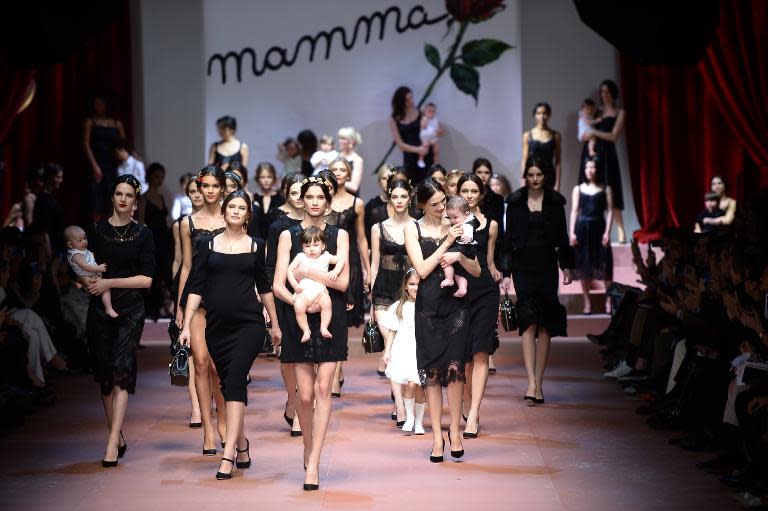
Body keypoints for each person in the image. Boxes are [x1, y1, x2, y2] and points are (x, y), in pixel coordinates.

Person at [180, 189, 281, 480]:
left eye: (241, 207)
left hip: (248, 325)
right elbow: (196, 286)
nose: (236, 211)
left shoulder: (255, 246)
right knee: (227, 384)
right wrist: (186, 325)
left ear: (248, 214)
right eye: (232, 206)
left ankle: (228, 455)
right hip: (217, 328)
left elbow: (264, 288)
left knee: (235, 380)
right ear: (224, 211)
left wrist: (274, 324)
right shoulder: (207, 244)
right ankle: (243, 443)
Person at [272, 176, 350, 490]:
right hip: (299, 316)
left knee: (322, 389)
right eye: (310, 197)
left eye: (321, 197)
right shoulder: (287, 235)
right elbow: (278, 284)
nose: (315, 202)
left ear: (328, 201)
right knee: (303, 396)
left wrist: (311, 275)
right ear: (301, 200)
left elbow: (343, 283)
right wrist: (300, 303)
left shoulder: (339, 234)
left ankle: (314, 462)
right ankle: (307, 445)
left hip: (331, 316)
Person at [403, 178, 480, 463]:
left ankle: (456, 433)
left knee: (456, 369)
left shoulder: (458, 223)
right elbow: (422, 270)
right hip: (427, 307)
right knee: (431, 373)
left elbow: (475, 269)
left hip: (456, 306)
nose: (441, 208)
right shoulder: (412, 229)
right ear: (422, 204)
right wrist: (447, 242)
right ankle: (437, 436)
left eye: (443, 202)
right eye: (434, 204)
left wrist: (460, 251)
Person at [84, 174, 155, 467]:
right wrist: (87, 280)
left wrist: (109, 282)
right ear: (112, 197)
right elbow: (86, 266)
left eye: (129, 195)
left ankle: (112, 441)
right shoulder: (97, 230)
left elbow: (147, 280)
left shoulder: (143, 235)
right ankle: (116, 433)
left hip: (130, 309)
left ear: (135, 203)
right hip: (99, 308)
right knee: (104, 374)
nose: (123, 199)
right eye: (118, 194)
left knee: (122, 369)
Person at [503, 156, 574, 405]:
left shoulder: (555, 202)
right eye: (531, 175)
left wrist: (566, 265)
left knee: (545, 323)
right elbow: (508, 239)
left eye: (539, 175)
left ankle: (539, 382)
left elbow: (562, 236)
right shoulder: (515, 202)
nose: (535, 179)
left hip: (546, 266)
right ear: (526, 175)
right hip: (522, 266)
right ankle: (531, 381)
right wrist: (506, 272)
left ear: (545, 176)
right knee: (528, 320)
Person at [176, 166, 228, 454]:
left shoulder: (233, 217)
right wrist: (179, 306)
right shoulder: (188, 223)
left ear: (222, 188)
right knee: (201, 361)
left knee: (219, 367)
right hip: (197, 298)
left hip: (225, 297)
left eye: (214, 186)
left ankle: (222, 422)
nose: (209, 191)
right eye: (204, 186)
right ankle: (208, 430)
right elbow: (186, 266)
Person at [457, 173, 501, 438]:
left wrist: (497, 273)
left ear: (481, 194)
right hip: (459, 292)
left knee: (481, 351)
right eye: (465, 190)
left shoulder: (491, 225)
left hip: (485, 289)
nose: (470, 195)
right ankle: (465, 401)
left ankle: (473, 414)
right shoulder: (450, 222)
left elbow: (490, 259)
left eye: (474, 191)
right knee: (462, 355)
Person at [265, 173, 305, 438]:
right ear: (287, 195)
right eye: (295, 193)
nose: (301, 199)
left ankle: (301, 408)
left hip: (313, 293)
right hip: (284, 294)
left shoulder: (322, 225)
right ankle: (292, 397)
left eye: (306, 193)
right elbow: (269, 265)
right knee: (287, 354)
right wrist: (267, 298)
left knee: (306, 353)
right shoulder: (278, 226)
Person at [370, 179, 414, 411]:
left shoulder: (417, 226)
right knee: (392, 342)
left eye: (403, 196)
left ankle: (401, 404)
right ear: (389, 198)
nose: (398, 201)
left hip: (409, 291)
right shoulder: (378, 228)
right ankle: (399, 405)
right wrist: (371, 297)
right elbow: (375, 263)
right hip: (384, 289)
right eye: (394, 197)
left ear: (410, 198)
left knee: (402, 345)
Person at [170, 177, 204, 428]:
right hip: (189, 288)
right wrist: (178, 301)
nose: (197, 195)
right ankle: (195, 406)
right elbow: (180, 262)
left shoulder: (224, 218)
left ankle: (207, 400)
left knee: (208, 356)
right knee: (191, 353)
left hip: (213, 291)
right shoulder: (183, 224)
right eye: (192, 191)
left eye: (200, 189)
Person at [580, 80, 626, 243]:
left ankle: (620, 230)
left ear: (613, 93)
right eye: (602, 92)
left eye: (606, 91)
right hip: (593, 153)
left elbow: (613, 136)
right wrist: (590, 133)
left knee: (611, 188)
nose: (604, 94)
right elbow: (585, 133)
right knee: (590, 190)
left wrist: (595, 133)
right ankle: (587, 231)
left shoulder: (619, 112)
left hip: (607, 154)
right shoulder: (597, 112)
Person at [382, 269, 426, 434]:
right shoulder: (399, 306)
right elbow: (392, 331)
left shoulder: (428, 305)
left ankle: (420, 422)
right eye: (412, 284)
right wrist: (387, 351)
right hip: (404, 349)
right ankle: (409, 418)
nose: (415, 287)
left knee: (421, 385)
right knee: (409, 383)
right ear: (406, 286)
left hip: (421, 350)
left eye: (419, 284)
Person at [569, 157, 614, 314]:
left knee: (605, 264)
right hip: (583, 229)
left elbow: (610, 212)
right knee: (584, 267)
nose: (589, 170)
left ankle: (609, 301)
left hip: (600, 228)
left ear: (597, 169)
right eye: (587, 167)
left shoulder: (605, 188)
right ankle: (587, 302)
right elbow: (574, 211)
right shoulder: (578, 189)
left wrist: (608, 231)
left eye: (592, 167)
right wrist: (572, 232)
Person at [288, 227, 344, 342]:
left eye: (316, 245)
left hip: (320, 290)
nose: (311, 249)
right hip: (303, 291)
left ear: (323, 246)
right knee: (298, 307)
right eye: (307, 246)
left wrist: (335, 271)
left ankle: (324, 327)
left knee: (327, 303)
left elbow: (341, 260)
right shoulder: (300, 257)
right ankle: (305, 330)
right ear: (303, 247)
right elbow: (289, 270)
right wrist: (294, 284)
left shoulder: (326, 257)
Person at [137, 163, 172, 320]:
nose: (160, 180)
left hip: (164, 240)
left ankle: (163, 307)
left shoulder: (161, 197)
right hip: (151, 240)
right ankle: (152, 308)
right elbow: (141, 221)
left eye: (162, 177)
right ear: (149, 176)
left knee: (166, 273)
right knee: (153, 274)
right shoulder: (143, 198)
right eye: (157, 176)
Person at [84, 91, 125, 219]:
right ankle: (96, 235)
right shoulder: (90, 121)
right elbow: (86, 145)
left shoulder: (116, 123)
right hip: (97, 163)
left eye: (100, 103)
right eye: (96, 104)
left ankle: (110, 234)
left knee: (111, 200)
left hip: (112, 165)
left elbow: (123, 143)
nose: (98, 106)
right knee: (97, 201)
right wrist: (94, 166)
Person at [64, 225, 115, 318]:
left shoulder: (82, 250)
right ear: (70, 245)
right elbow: (85, 266)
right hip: (88, 276)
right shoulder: (75, 254)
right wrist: (98, 268)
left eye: (85, 238)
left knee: (104, 288)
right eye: (80, 240)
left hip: (91, 275)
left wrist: (92, 256)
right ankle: (108, 308)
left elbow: (88, 260)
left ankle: (108, 307)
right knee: (104, 289)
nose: (84, 241)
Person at [389, 86, 430, 183]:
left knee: (427, 183)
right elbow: (400, 144)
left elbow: (430, 132)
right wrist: (417, 150)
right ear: (401, 101)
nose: (411, 101)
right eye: (407, 100)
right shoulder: (394, 119)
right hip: (409, 157)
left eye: (411, 98)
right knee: (412, 183)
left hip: (424, 154)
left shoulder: (421, 113)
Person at [520, 102, 562, 191]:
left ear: (549, 115)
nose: (542, 116)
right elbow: (524, 159)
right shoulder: (528, 135)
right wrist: (523, 180)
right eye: (538, 113)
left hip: (549, 177)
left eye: (544, 113)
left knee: (548, 204)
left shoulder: (556, 135)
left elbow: (558, 162)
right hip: (532, 176)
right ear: (535, 115)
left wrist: (557, 184)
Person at [441, 197, 476, 298]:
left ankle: (449, 278)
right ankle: (462, 288)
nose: (452, 220)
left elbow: (469, 231)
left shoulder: (467, 224)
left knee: (445, 258)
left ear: (467, 214)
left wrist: (467, 236)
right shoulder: (463, 220)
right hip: (466, 250)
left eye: (455, 217)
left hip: (464, 248)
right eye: (449, 217)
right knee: (459, 272)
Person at [30, 163, 65, 256]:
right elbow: (44, 230)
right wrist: (49, 255)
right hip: (47, 250)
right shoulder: (44, 200)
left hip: (54, 248)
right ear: (50, 178)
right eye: (58, 177)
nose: (61, 180)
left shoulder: (49, 198)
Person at [251, 162, 285, 240]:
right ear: (257, 179)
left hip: (276, 240)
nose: (266, 180)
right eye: (262, 177)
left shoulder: (281, 198)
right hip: (257, 241)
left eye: (269, 177)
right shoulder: (253, 198)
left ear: (274, 178)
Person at [472, 159, 504, 232]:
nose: (483, 176)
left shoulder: (498, 199)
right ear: (474, 173)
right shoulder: (467, 197)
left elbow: (500, 228)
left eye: (486, 172)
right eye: (479, 172)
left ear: (491, 175)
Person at [337, 127, 364, 194]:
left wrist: (334, 181)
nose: (340, 141)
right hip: (335, 199)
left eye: (343, 139)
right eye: (339, 138)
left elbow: (354, 187)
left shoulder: (357, 160)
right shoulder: (336, 156)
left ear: (351, 141)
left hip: (350, 200)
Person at [418, 102, 442, 168]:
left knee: (436, 150)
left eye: (433, 111)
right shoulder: (424, 118)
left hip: (434, 136)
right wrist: (426, 119)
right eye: (429, 111)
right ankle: (421, 159)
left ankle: (435, 163)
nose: (431, 113)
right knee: (425, 148)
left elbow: (440, 130)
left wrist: (439, 131)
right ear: (425, 112)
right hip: (426, 136)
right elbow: (423, 126)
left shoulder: (436, 119)